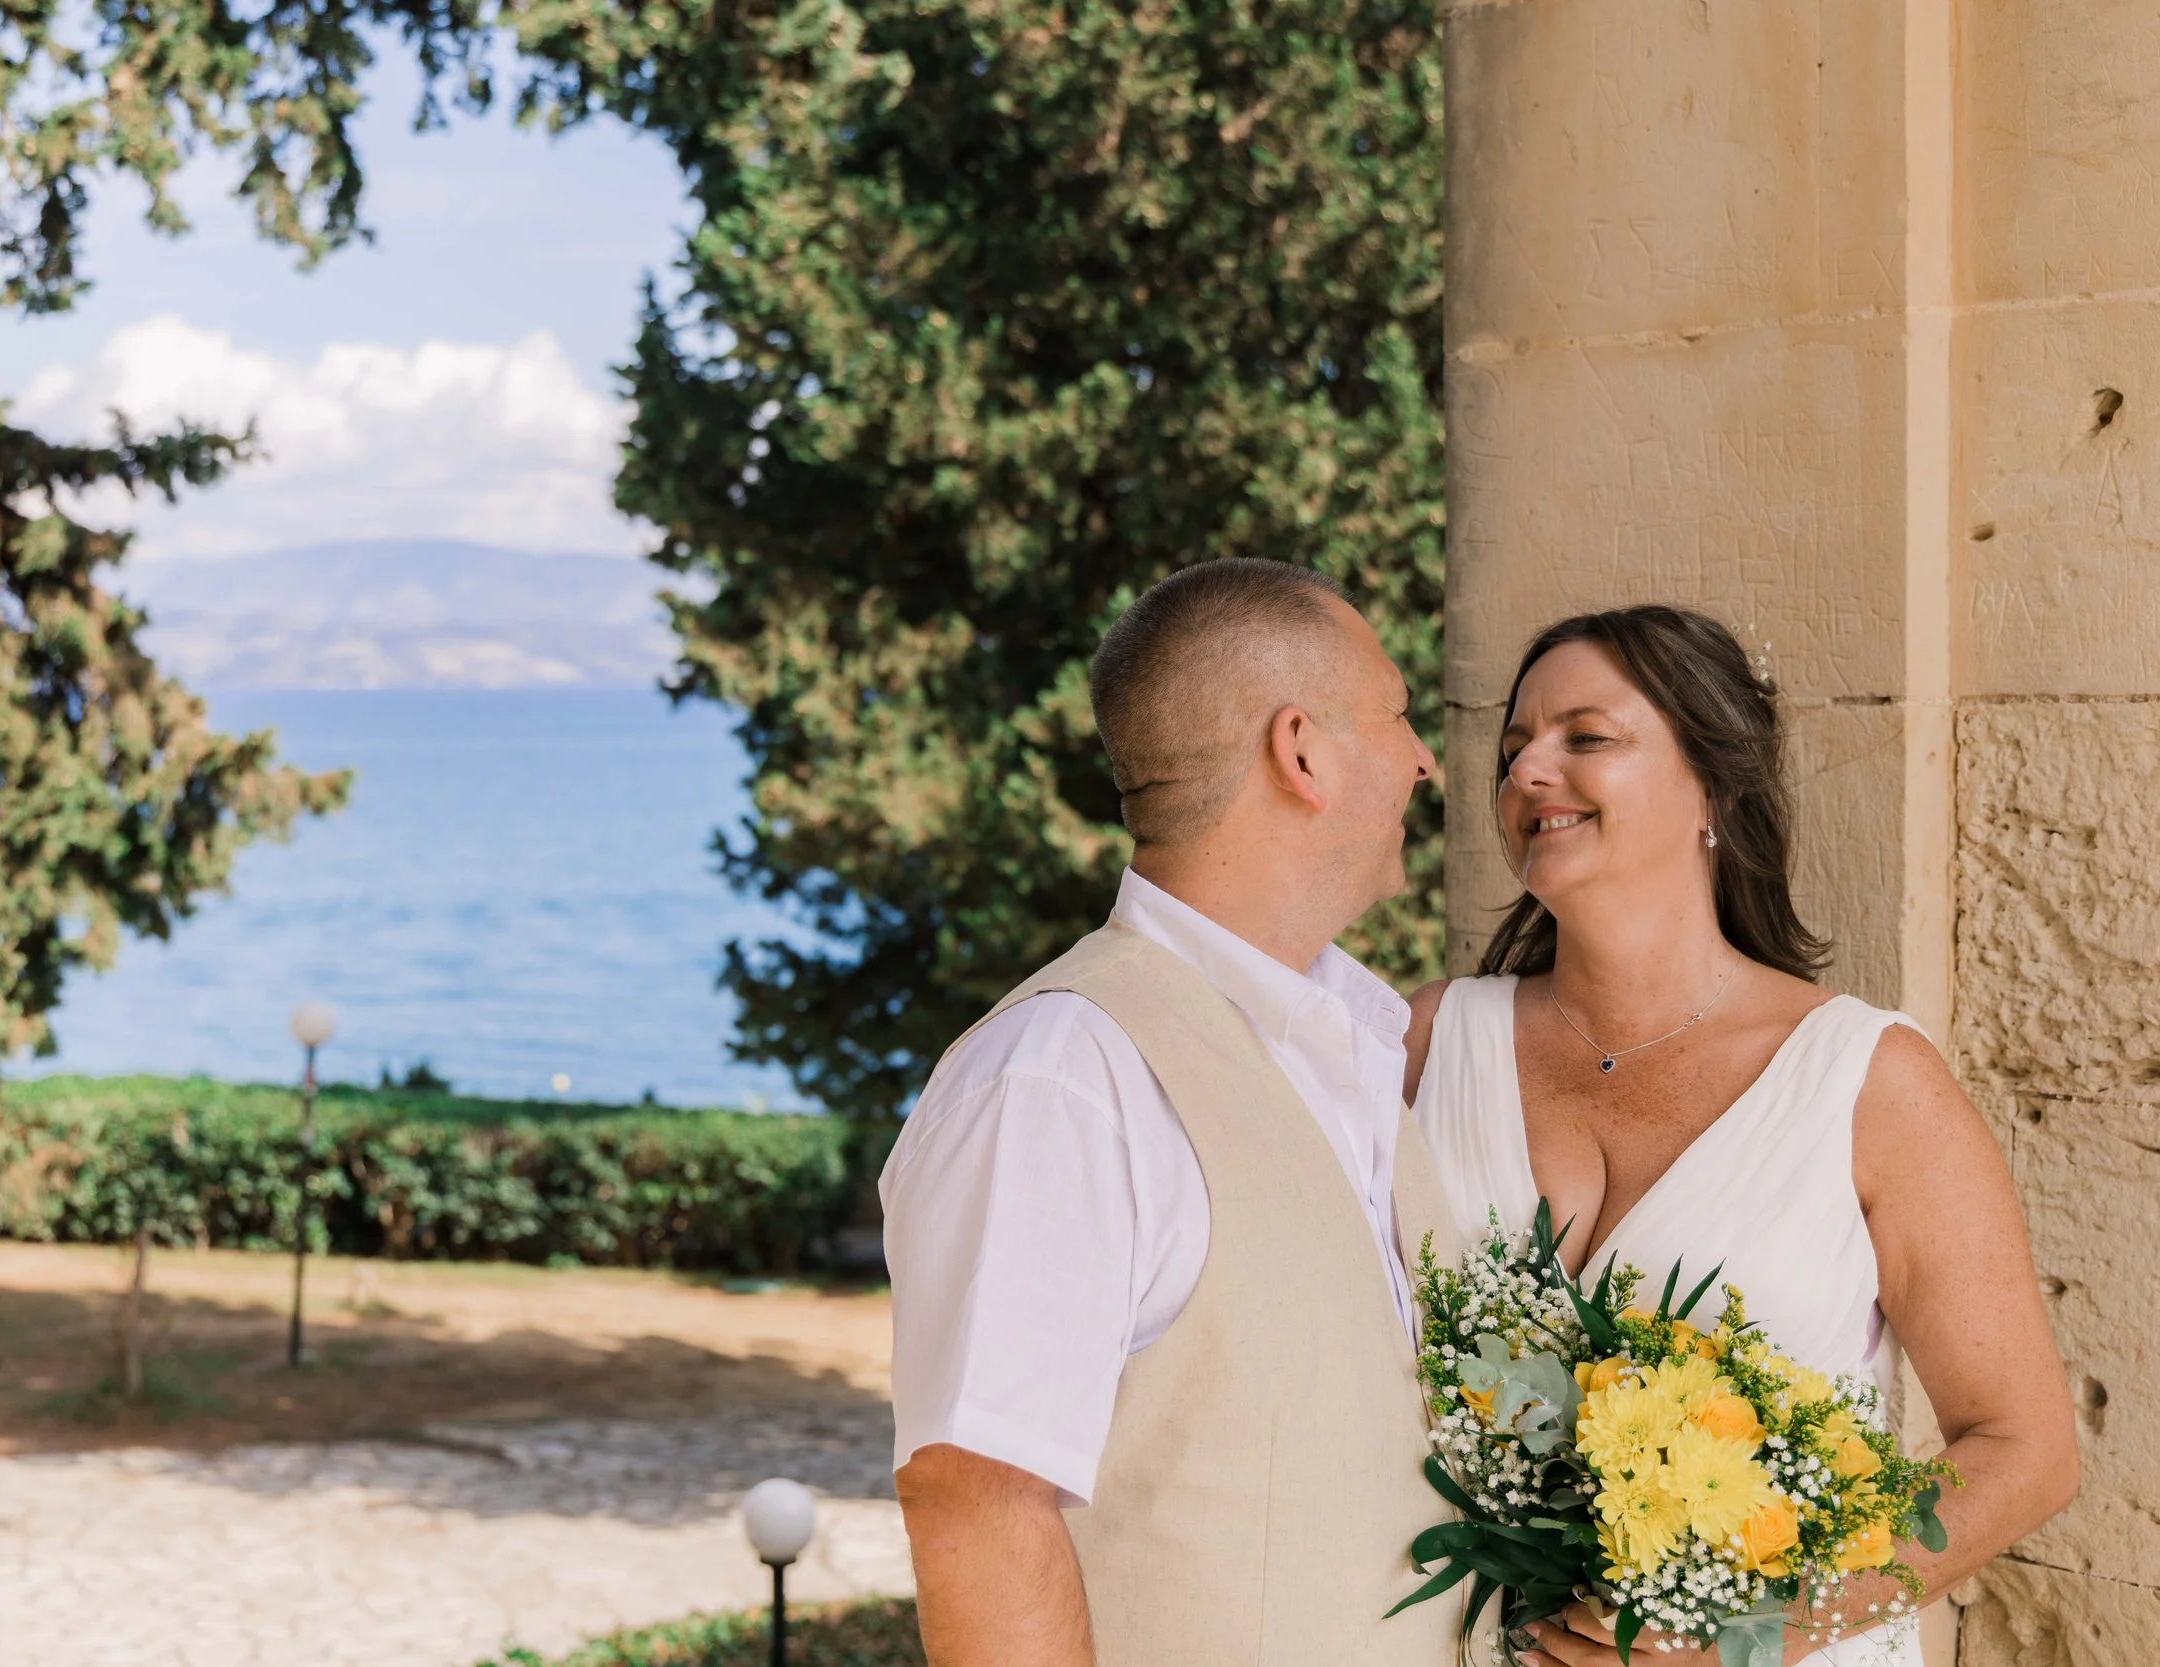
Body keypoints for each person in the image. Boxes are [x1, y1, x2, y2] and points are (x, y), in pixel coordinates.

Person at [1405, 606, 2080, 1666]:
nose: (1528, 766)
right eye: (1512, 745)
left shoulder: (1866, 1081)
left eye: (1584, 736)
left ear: (1712, 787)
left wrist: (1754, 1632)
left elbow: (2024, 1449)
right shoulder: (1423, 1045)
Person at [883, 557, 1462, 1667]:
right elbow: (977, 1505)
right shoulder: (1061, 1076)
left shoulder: (1363, 1053)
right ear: (1300, 751)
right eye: (1394, 714)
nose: (1423, 756)